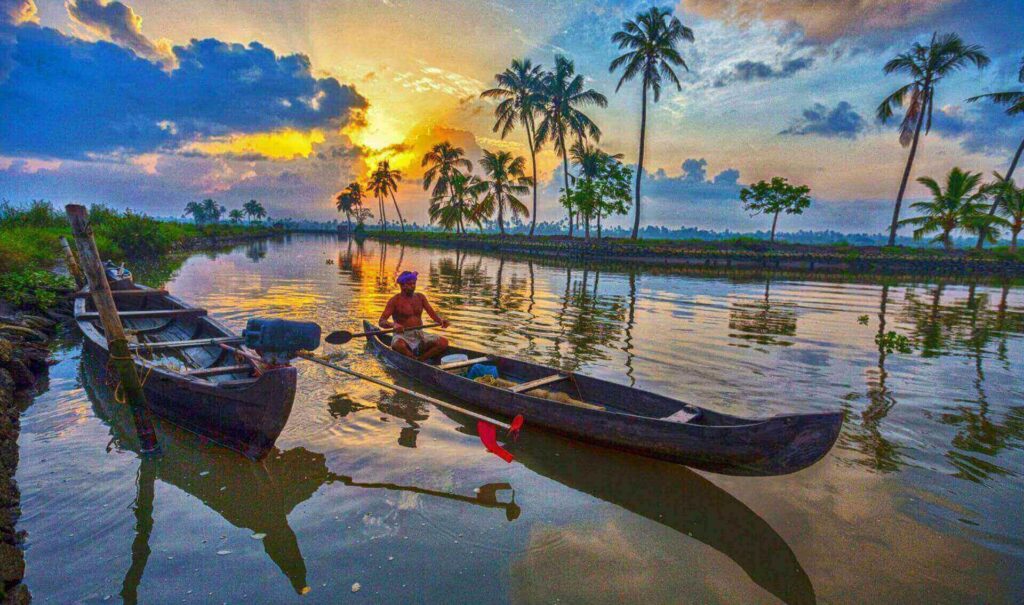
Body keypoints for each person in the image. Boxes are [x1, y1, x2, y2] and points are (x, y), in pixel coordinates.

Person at [378, 271, 450, 360]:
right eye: (410, 284)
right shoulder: (394, 301)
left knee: (443, 342)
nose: (413, 286)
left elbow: (432, 314)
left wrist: (441, 321)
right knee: (398, 345)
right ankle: (412, 358)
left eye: (414, 283)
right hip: (402, 336)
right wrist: (394, 325)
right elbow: (381, 321)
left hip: (419, 334)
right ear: (402, 285)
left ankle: (420, 360)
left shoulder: (420, 297)